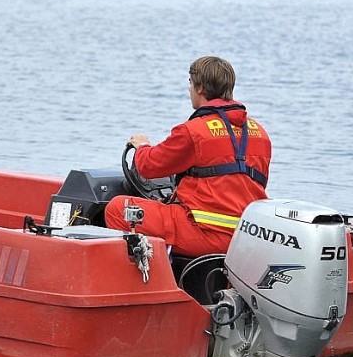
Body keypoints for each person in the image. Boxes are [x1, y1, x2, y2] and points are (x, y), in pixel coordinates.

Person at [104, 56, 271, 257]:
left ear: (200, 88)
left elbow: (149, 166)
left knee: (117, 208)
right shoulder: (259, 133)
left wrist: (142, 146)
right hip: (247, 236)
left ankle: (141, 282)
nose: (189, 90)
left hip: (205, 232)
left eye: (190, 84)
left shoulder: (194, 132)